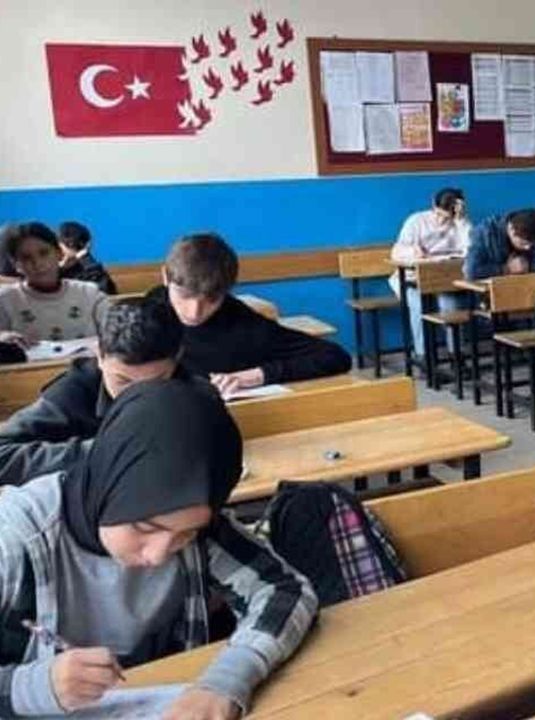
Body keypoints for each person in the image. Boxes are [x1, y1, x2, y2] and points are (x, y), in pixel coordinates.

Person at [0, 380, 317, 718]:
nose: (158, 555)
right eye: (144, 528)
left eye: (185, 535)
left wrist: (227, 679)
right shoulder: (14, 538)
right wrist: (29, 687)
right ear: (109, 487)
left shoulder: (195, 524)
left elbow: (284, 589)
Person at [0, 297, 192, 485]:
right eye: (123, 381)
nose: (137, 395)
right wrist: (103, 452)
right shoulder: (73, 392)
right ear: (99, 355)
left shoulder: (194, 390)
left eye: (155, 382)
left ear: (178, 356)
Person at [149, 233, 351, 397]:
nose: (194, 312)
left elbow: (334, 356)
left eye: (212, 299)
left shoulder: (243, 323)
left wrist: (255, 376)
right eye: (184, 296)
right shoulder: (149, 312)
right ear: (166, 277)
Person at [388, 188, 471, 358]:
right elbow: (396, 253)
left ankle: (456, 353)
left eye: (446, 218)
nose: (441, 220)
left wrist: (461, 221)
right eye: (438, 214)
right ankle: (423, 355)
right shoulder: (416, 221)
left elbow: (471, 249)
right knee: (419, 305)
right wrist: (412, 251)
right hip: (413, 278)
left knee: (451, 306)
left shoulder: (460, 224)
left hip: (444, 280)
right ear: (433, 205)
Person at [0, 222, 108, 347]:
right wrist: (3, 337)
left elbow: (116, 330)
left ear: (59, 253)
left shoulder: (89, 294)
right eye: (26, 258)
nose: (37, 263)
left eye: (44, 253)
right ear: (16, 265)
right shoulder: (5, 300)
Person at [464, 208, 535, 281]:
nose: (528, 248)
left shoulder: (534, 227)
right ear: (512, 231)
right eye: (524, 243)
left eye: (532, 245)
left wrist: (527, 265)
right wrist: (507, 269)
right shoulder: (484, 233)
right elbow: (471, 271)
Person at [56, 221, 117, 294]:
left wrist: (84, 257)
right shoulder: (54, 269)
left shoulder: (89, 268)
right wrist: (60, 269)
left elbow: (105, 293)